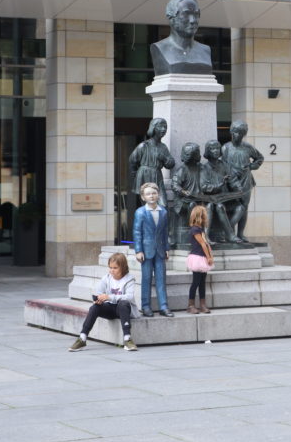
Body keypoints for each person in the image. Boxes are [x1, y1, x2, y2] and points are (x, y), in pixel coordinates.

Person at [68, 252, 140, 352]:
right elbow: (98, 292)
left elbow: (129, 297)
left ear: (123, 267)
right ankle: (82, 338)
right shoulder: (106, 278)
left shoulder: (129, 279)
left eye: (115, 268)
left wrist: (109, 297)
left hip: (123, 310)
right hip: (110, 308)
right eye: (110, 267)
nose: (112, 270)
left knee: (123, 303)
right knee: (94, 307)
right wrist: (99, 299)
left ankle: (127, 339)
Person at [133, 182, 174, 318]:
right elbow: (137, 232)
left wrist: (167, 247)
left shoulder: (163, 211)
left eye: (154, 193)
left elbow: (165, 231)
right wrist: (138, 250)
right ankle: (146, 306)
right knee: (146, 279)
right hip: (146, 250)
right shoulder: (140, 212)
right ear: (143, 197)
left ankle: (164, 306)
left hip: (160, 250)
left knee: (161, 279)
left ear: (158, 195)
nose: (151, 196)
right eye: (148, 194)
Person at [222, 120, 264, 242]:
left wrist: (251, 166)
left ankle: (240, 233)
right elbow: (223, 165)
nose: (238, 135)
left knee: (244, 207)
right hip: (231, 181)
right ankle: (230, 232)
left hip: (246, 180)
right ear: (231, 132)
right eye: (235, 132)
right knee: (233, 207)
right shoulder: (226, 148)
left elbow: (259, 158)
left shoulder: (248, 147)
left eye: (241, 133)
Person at [150, 0, 213, 75]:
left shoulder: (205, 50)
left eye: (196, 14)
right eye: (186, 14)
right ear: (171, 18)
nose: (192, 20)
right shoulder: (159, 48)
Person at [200, 140, 241, 244]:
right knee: (219, 207)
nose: (216, 151)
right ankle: (230, 235)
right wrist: (219, 185)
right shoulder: (204, 168)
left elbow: (233, 180)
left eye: (217, 148)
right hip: (211, 199)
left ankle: (226, 231)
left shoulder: (225, 166)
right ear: (208, 151)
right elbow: (204, 187)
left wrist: (238, 188)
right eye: (213, 148)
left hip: (225, 198)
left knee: (241, 208)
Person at [128, 118, 175, 208]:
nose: (164, 129)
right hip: (144, 176)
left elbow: (171, 164)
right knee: (148, 207)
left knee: (163, 205)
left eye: (165, 127)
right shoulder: (144, 146)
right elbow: (132, 161)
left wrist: (164, 158)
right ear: (153, 128)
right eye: (160, 126)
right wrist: (136, 177)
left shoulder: (163, 147)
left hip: (157, 176)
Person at [171, 142, 202, 245]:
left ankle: (206, 234)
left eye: (193, 155)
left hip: (199, 198)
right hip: (183, 201)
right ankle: (194, 232)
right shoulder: (182, 169)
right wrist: (183, 192)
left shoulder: (201, 168)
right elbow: (174, 185)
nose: (191, 158)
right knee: (193, 205)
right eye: (189, 155)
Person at [186, 205, 214, 315]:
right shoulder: (195, 229)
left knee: (202, 283)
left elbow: (206, 244)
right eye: (205, 216)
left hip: (202, 257)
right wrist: (208, 257)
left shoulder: (200, 229)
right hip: (198, 258)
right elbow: (202, 243)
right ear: (200, 216)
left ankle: (202, 304)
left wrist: (209, 255)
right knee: (196, 282)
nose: (206, 218)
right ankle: (190, 305)